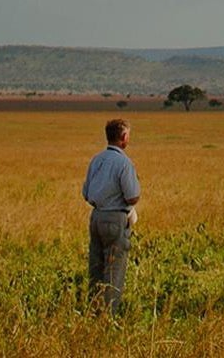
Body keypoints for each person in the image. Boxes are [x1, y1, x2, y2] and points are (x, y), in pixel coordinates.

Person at [81, 117, 140, 313]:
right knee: (114, 269)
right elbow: (132, 197)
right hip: (115, 219)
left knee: (95, 267)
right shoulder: (124, 163)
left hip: (96, 217)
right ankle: (109, 315)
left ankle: (92, 309)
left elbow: (86, 193)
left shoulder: (96, 160)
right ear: (123, 137)